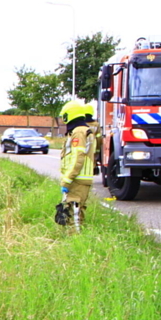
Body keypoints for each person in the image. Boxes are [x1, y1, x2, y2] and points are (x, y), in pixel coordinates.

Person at [58, 100, 97, 234]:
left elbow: (77, 157)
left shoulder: (79, 132)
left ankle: (75, 239)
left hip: (78, 178)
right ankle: (72, 237)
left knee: (74, 211)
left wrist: (68, 178)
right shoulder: (80, 130)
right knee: (73, 210)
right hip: (79, 177)